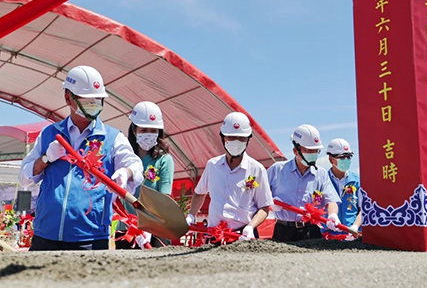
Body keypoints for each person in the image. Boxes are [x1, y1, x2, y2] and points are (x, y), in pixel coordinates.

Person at [18, 65, 144, 251]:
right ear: (68, 98)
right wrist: (46, 159)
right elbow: (24, 178)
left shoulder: (112, 137)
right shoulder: (49, 134)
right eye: (88, 100)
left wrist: (126, 173)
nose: (94, 104)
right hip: (45, 237)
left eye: (98, 99)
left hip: (90, 240)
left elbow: (134, 164)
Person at [185, 112, 273, 241]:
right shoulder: (212, 165)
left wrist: (250, 227)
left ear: (248, 139)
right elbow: (199, 193)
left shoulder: (257, 169)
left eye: (241, 138)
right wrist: (191, 215)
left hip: (242, 236)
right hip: (214, 234)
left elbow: (264, 207)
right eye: (231, 137)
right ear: (222, 138)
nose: (236, 142)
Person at [115, 101, 174, 249]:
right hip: (127, 227)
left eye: (153, 130)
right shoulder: (125, 157)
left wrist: (148, 227)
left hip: (156, 230)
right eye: (144, 129)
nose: (149, 134)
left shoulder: (164, 160)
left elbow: (164, 198)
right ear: (134, 130)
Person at [268, 124, 341, 242]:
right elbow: (258, 195)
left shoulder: (320, 174)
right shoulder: (277, 169)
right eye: (308, 150)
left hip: (310, 230)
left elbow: (331, 200)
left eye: (316, 151)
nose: (313, 154)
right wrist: (269, 203)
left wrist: (333, 215)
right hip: (284, 230)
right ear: (295, 151)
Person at [324, 138, 361, 241]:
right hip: (327, 237)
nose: (346, 160)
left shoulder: (357, 181)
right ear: (331, 159)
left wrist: (355, 226)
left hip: (352, 236)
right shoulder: (322, 181)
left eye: (349, 157)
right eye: (342, 157)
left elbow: (364, 209)